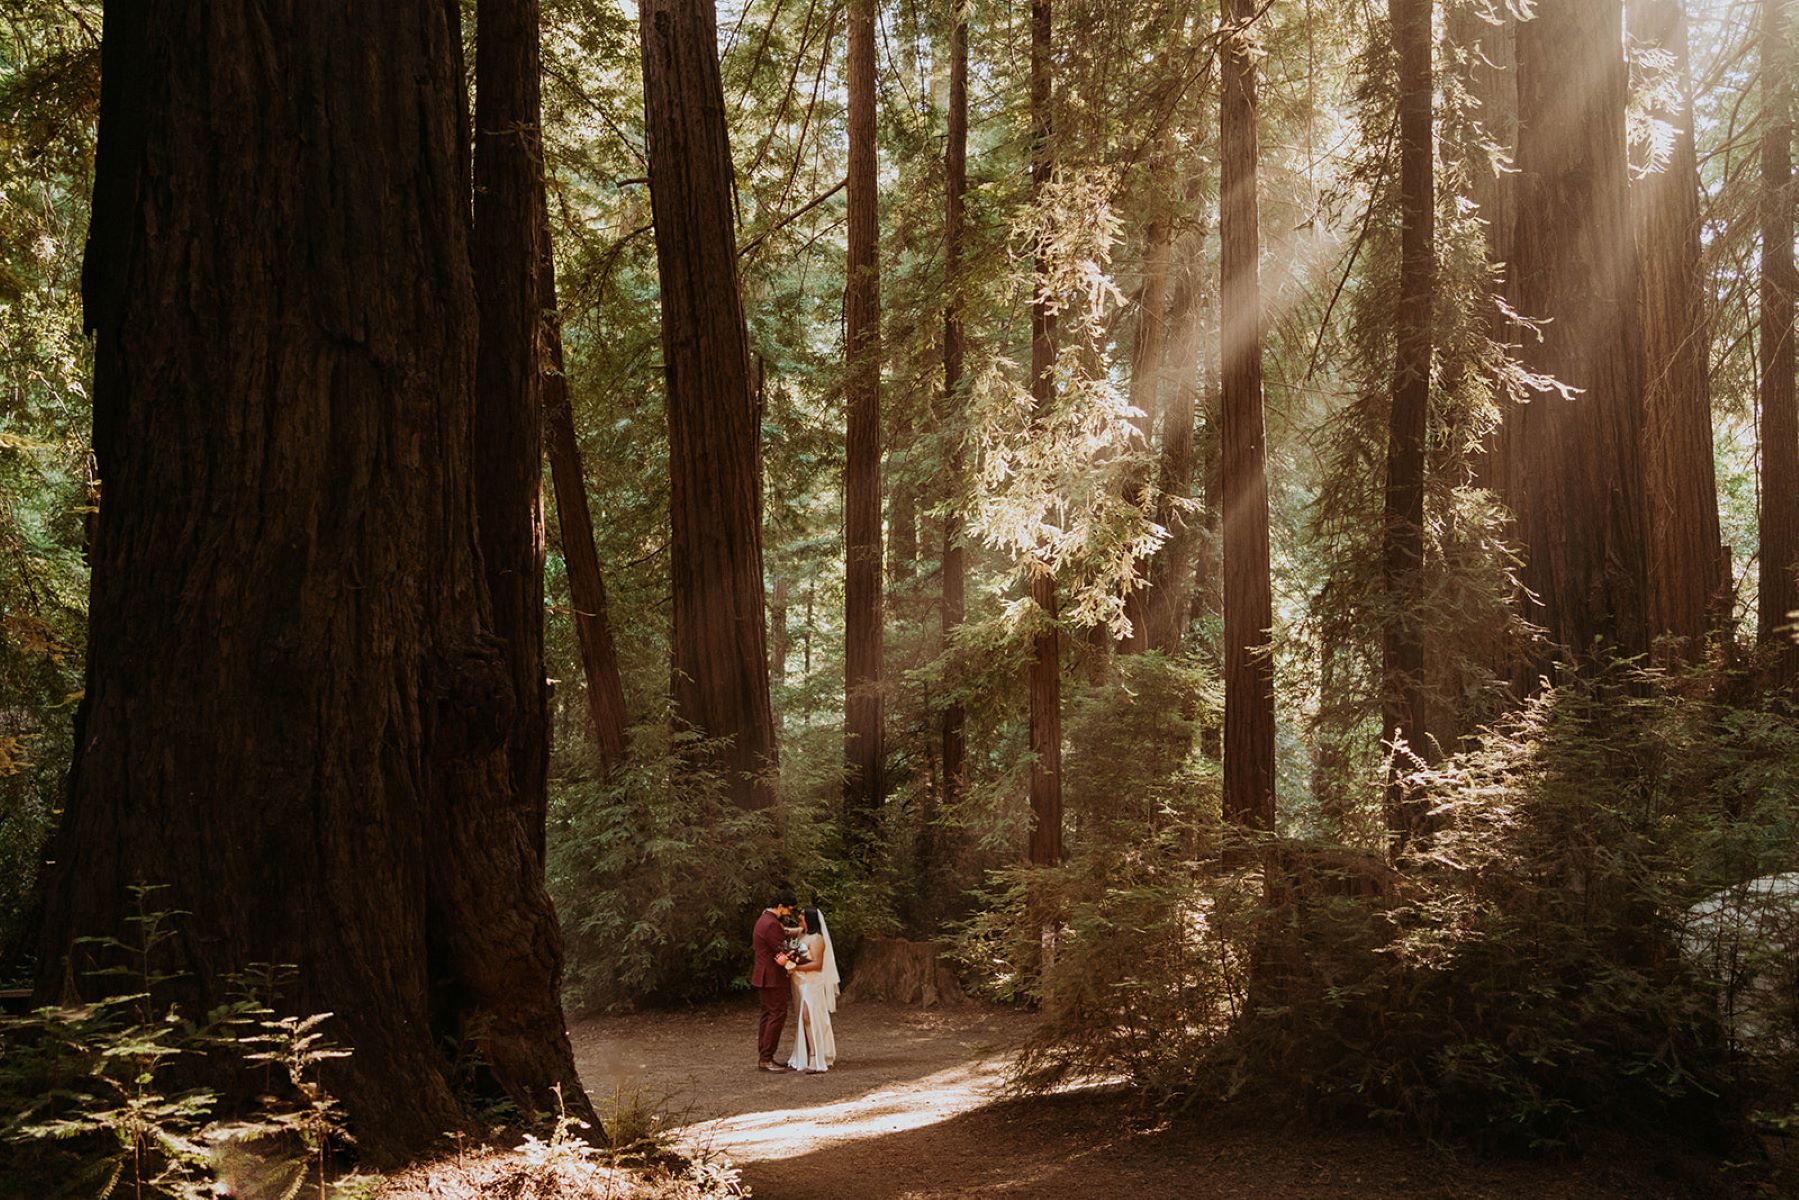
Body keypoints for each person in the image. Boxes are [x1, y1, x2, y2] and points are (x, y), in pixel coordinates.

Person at [784, 904, 840, 1074]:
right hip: (802, 983)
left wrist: (795, 967)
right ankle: (806, 1053)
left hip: (813, 982)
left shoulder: (817, 939)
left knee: (811, 1017)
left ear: (809, 918)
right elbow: (787, 931)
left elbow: (817, 964)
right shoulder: (803, 934)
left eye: (802, 915)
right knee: (804, 1018)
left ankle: (816, 1057)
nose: (799, 917)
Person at [751, 886, 799, 1071]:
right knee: (777, 1014)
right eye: (788, 909)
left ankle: (764, 1054)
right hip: (771, 977)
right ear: (780, 906)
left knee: (767, 1014)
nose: (788, 913)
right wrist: (798, 955)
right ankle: (766, 1057)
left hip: (763, 975)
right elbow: (782, 949)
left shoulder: (764, 919)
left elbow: (781, 934)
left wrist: (795, 931)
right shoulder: (771, 924)